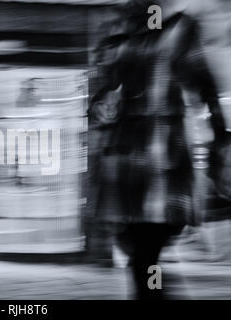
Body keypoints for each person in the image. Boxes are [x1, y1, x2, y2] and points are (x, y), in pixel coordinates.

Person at [90, 0, 228, 299]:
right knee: (137, 253)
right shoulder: (119, 31)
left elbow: (205, 84)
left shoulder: (179, 28)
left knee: (145, 254)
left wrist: (220, 138)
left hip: (163, 160)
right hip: (125, 159)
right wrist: (101, 106)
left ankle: (154, 292)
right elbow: (105, 90)